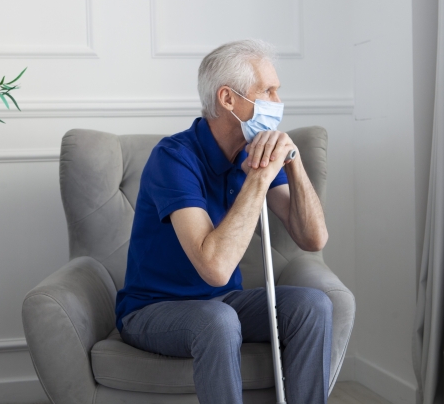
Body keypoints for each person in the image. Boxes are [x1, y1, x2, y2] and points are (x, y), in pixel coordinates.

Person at [115, 39, 332, 404]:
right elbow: (214, 268)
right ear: (228, 99)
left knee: (314, 305)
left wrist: (292, 161)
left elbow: (314, 239)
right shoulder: (173, 157)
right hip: (152, 310)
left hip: (224, 303)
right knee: (217, 319)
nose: (277, 104)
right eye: (268, 91)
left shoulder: (255, 150)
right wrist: (259, 179)